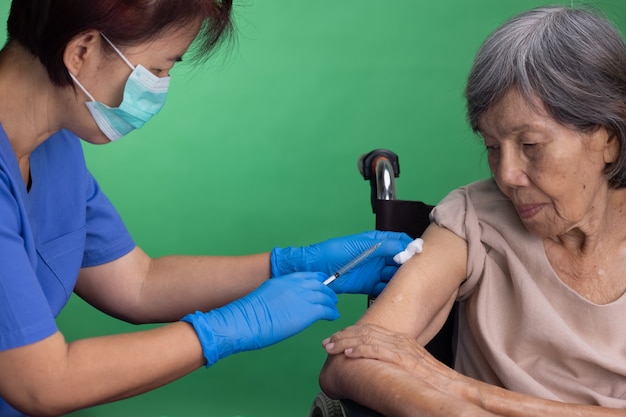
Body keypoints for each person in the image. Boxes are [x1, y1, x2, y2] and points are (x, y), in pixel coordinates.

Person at [0, 1, 412, 416]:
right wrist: (227, 329)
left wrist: (296, 265)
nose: (162, 86)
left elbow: (137, 284)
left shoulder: (54, 146)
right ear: (82, 51)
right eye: (159, 69)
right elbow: (42, 383)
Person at [319, 5, 626, 416]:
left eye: (530, 145)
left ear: (608, 137)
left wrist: (464, 390)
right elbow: (350, 359)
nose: (507, 174)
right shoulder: (473, 219)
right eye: (492, 148)